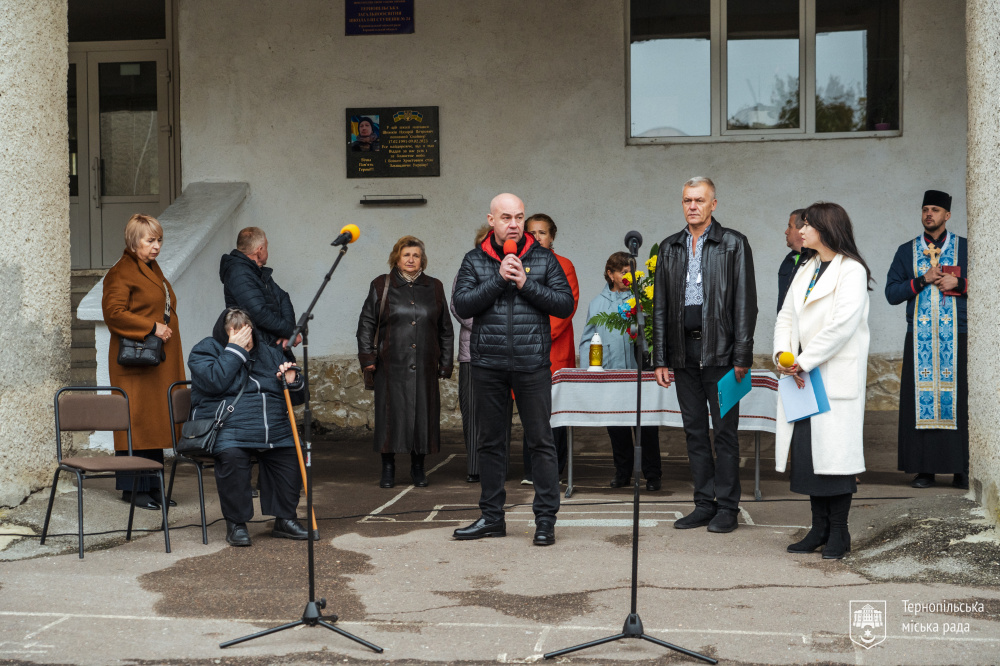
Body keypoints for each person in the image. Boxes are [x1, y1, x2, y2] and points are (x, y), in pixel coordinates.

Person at [451, 193, 574, 546]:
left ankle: (546, 520)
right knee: (491, 443)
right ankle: (492, 517)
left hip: (532, 362)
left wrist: (525, 283)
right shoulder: (475, 260)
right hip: (487, 364)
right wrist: (497, 280)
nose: (514, 224)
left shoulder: (544, 258)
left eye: (519, 217)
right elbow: (462, 304)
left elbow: (564, 305)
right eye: (506, 217)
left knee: (541, 442)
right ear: (491, 221)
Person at [652, 177, 757, 534]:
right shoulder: (669, 248)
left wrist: (742, 353)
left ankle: (727, 507)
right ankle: (703, 503)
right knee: (694, 432)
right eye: (687, 200)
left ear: (714, 204)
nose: (692, 206)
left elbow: (746, 302)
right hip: (683, 353)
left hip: (724, 354)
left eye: (699, 200)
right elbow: (660, 307)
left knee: (725, 433)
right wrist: (661, 357)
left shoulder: (733, 244)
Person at [774, 202, 872, 559]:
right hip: (802, 375)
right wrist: (782, 357)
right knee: (810, 455)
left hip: (831, 376)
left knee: (835, 456)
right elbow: (786, 317)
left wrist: (803, 361)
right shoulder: (807, 266)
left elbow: (841, 327)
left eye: (808, 226)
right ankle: (817, 528)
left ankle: (839, 533)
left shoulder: (852, 271)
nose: (801, 231)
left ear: (826, 229)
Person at [188, 308, 310, 546]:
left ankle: (285, 518)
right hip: (229, 426)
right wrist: (234, 351)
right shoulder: (205, 350)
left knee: (292, 450)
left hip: (273, 426)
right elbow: (215, 381)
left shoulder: (271, 354)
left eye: (246, 333)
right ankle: (236, 523)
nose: (243, 339)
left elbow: (298, 398)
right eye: (235, 334)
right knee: (232, 455)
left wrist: (294, 382)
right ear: (224, 335)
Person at [885, 190, 969, 490]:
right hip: (919, 338)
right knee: (920, 403)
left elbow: (990, 283)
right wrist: (923, 280)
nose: (928, 214)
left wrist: (960, 282)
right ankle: (924, 470)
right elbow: (891, 293)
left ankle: (962, 469)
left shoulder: (965, 248)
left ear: (947, 215)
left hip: (957, 337)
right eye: (925, 209)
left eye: (935, 210)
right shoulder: (907, 251)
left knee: (959, 402)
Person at [102, 214, 186, 511]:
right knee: (135, 423)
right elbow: (113, 314)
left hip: (156, 362)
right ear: (133, 241)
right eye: (150, 240)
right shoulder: (121, 271)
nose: (156, 246)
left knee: (153, 424)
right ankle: (132, 490)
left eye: (159, 240)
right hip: (136, 363)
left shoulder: (150, 268)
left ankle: (152, 487)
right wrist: (152, 327)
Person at [357, 236, 454, 489]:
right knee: (389, 416)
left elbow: (445, 328)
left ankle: (418, 467)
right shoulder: (382, 284)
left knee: (422, 416)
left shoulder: (434, 286)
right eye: (406, 255)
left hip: (424, 365)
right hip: (390, 364)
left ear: (423, 259)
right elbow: (367, 323)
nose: (411, 260)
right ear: (396, 258)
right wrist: (368, 358)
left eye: (416, 255)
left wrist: (445, 363)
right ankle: (388, 468)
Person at [579, 251, 663, 490]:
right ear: (610, 274)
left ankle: (653, 475)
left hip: (640, 371)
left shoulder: (643, 299)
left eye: (631, 272)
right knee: (617, 426)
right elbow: (587, 339)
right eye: (623, 272)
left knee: (645, 425)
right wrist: (591, 369)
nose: (629, 277)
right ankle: (623, 472)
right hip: (610, 372)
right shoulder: (597, 304)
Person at [521, 213, 578, 484]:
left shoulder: (563, 265)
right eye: (531, 233)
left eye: (542, 233)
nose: (536, 238)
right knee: (529, 411)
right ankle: (531, 471)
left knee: (554, 414)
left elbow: (565, 309)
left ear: (552, 236)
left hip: (553, 351)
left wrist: (533, 336)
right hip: (525, 352)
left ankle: (552, 472)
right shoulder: (518, 265)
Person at [451, 225, 493, 484]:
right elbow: (459, 305)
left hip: (503, 352)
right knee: (473, 412)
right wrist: (489, 328)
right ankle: (476, 467)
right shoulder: (467, 268)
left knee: (497, 413)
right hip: (472, 352)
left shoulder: (510, 268)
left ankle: (498, 466)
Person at [220, 226, 299, 351]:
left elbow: (283, 297)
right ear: (260, 250)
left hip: (272, 346)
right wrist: (290, 332)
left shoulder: (256, 271)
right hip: (256, 353)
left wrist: (288, 333)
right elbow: (258, 313)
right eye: (266, 246)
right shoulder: (238, 273)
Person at [777, 209, 807, 313]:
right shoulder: (789, 259)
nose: (786, 232)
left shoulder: (817, 260)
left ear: (801, 230)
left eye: (790, 226)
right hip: (786, 325)